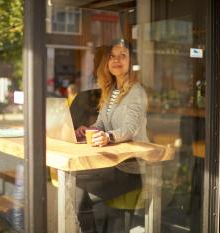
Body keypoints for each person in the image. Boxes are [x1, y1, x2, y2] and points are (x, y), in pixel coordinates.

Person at [74, 38, 148, 233]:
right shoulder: (111, 89)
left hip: (130, 166)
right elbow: (101, 123)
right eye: (112, 56)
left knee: (77, 185)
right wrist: (88, 129)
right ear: (107, 62)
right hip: (112, 162)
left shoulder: (136, 91)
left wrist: (108, 137)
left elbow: (130, 128)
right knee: (75, 184)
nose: (116, 60)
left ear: (131, 62)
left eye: (122, 56)